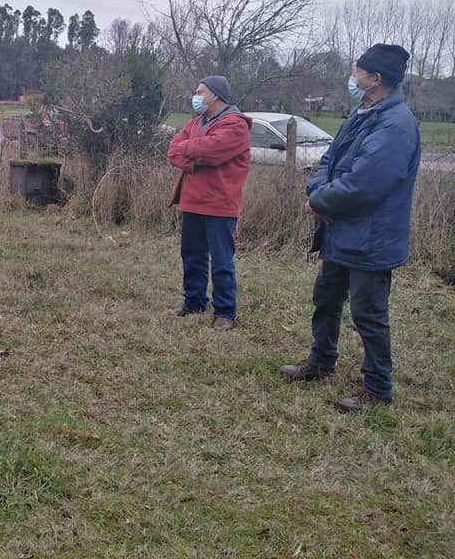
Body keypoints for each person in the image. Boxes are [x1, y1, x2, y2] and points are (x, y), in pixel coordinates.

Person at [280, 44, 420, 412]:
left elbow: (365, 183)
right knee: (326, 299)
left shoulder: (396, 125)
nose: (352, 77)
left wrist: (319, 202)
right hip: (340, 232)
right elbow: (330, 159)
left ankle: (377, 387)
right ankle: (320, 360)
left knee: (368, 315)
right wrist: (319, 193)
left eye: (358, 71)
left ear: (375, 79)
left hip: (371, 239)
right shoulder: (361, 114)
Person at [166, 75, 252, 330]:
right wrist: (196, 157)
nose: (195, 96)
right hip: (192, 200)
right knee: (191, 255)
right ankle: (194, 302)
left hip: (220, 203)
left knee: (221, 259)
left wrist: (192, 151)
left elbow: (211, 151)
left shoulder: (236, 125)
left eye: (200, 91)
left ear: (215, 95)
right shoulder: (196, 122)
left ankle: (225, 312)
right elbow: (173, 150)